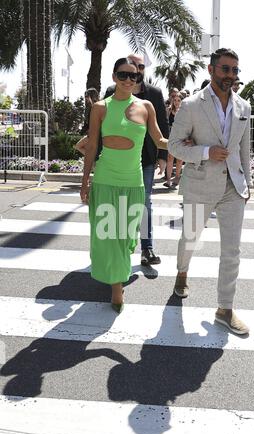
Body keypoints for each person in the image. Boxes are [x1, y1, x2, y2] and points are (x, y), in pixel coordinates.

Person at [168, 48, 252, 336]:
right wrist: (205, 151)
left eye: (234, 70)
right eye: (225, 69)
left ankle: (225, 308)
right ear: (211, 69)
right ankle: (182, 273)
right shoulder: (191, 105)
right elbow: (174, 146)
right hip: (200, 184)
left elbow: (244, 150)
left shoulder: (244, 107)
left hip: (233, 188)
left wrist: (247, 185)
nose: (231, 75)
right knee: (190, 238)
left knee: (232, 251)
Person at [80, 58, 168, 313]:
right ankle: (117, 289)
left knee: (128, 236)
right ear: (113, 76)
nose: (129, 80)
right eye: (123, 75)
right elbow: (92, 146)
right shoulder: (100, 108)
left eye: (135, 77)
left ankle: (118, 270)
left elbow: (159, 139)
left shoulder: (147, 106)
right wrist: (85, 181)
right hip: (106, 178)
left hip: (134, 181)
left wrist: (187, 145)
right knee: (110, 236)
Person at [104, 54, 169, 267]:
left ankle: (147, 247)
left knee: (144, 202)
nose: (137, 71)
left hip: (146, 158)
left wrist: (163, 156)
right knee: (118, 204)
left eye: (141, 67)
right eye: (132, 68)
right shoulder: (111, 93)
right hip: (116, 162)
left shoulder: (154, 94)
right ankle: (118, 249)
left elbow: (162, 126)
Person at [164, 92, 184, 189]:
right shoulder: (168, 110)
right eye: (175, 100)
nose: (176, 102)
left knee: (179, 159)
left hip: (181, 136)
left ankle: (177, 178)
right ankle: (168, 179)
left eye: (178, 100)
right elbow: (166, 123)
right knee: (170, 158)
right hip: (171, 135)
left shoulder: (184, 111)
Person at [75, 88, 99, 156]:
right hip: (93, 134)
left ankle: (94, 160)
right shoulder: (91, 107)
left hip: (95, 134)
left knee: (78, 146)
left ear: (91, 96)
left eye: (87, 96)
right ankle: (94, 161)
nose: (85, 98)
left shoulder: (97, 106)